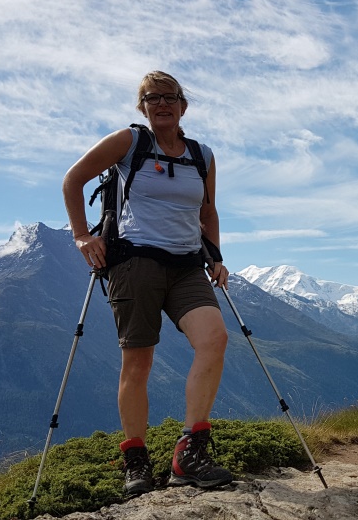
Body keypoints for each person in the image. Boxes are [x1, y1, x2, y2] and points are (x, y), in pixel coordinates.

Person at [61, 70, 232, 496]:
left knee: (214, 339)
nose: (162, 104)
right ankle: (136, 461)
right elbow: (73, 179)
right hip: (135, 262)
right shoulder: (129, 142)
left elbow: (207, 212)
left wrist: (216, 256)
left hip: (187, 264)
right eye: (152, 98)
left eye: (170, 97)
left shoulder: (202, 155)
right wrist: (81, 235)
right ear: (142, 107)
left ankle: (189, 453)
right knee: (138, 363)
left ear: (183, 105)